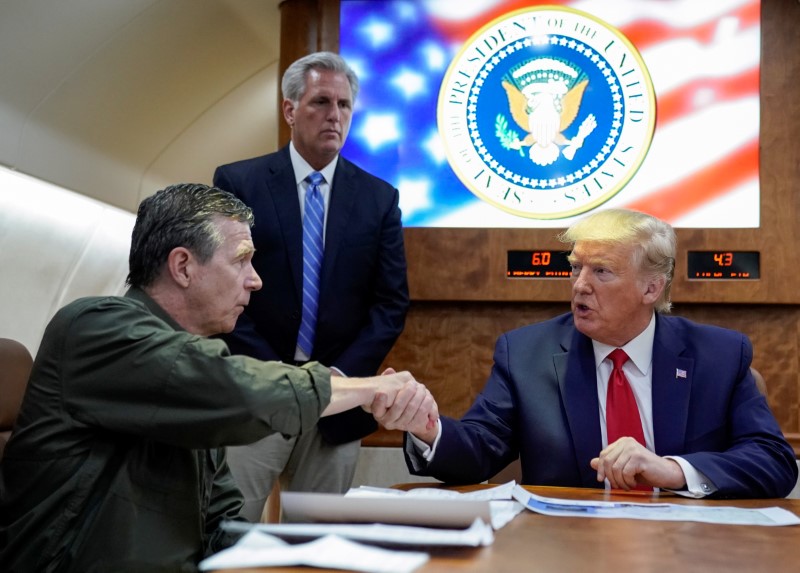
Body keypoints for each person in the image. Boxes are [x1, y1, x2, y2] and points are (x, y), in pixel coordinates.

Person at [0, 184, 433, 572]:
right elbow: (233, 388)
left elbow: (223, 526)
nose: (256, 280)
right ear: (184, 266)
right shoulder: (93, 327)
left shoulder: (194, 373)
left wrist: (327, 547)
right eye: (242, 261)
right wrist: (367, 387)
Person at [394, 208, 798, 498]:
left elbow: (773, 462)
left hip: (688, 548)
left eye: (601, 271)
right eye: (576, 268)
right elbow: (479, 450)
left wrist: (673, 470)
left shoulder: (720, 355)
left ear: (651, 289)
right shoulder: (526, 354)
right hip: (570, 548)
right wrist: (428, 429)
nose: (579, 285)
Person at [212, 51, 410, 519]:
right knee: (229, 531)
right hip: (256, 394)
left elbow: (390, 304)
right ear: (289, 110)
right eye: (321, 101)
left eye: (344, 105)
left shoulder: (379, 198)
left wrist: (336, 379)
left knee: (317, 543)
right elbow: (220, 288)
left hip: (337, 407)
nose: (334, 115)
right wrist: (276, 376)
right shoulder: (239, 182)